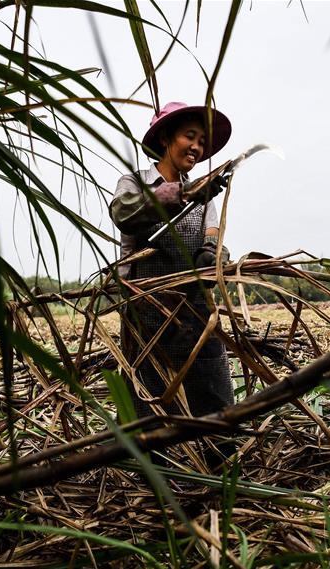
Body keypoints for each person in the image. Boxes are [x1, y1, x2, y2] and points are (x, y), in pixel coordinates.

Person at [109, 101, 234, 421]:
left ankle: (218, 464)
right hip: (147, 316)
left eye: (202, 142)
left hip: (197, 315)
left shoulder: (206, 197)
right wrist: (182, 193)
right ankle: (156, 470)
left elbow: (214, 234)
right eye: (189, 136)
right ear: (165, 138)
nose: (196, 147)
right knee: (150, 411)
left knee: (217, 409)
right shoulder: (134, 184)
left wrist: (212, 253)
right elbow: (124, 214)